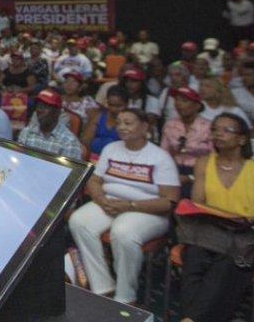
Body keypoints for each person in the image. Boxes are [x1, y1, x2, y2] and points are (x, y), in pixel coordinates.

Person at [70, 108, 180, 304]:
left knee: (123, 232)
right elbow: (94, 181)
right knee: (79, 221)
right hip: (111, 201)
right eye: (119, 122)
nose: (121, 127)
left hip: (147, 210)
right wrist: (101, 198)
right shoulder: (111, 148)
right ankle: (103, 286)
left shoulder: (160, 157)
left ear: (145, 127)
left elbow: (169, 201)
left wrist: (129, 205)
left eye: (128, 123)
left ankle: (125, 296)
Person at [176, 113, 254, 322]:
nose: (218, 134)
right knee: (194, 259)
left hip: (243, 236)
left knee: (225, 266)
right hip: (207, 230)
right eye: (215, 129)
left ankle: (189, 318)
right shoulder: (204, 163)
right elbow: (197, 204)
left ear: (242, 139)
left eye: (226, 130)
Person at [159, 87, 212, 193]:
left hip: (200, 172)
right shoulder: (170, 124)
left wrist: (190, 177)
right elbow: (164, 153)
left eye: (184, 101)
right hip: (174, 170)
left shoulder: (208, 127)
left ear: (197, 106)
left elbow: (214, 158)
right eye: (177, 100)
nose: (178, 104)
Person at [18, 89, 82, 158]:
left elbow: (70, 169)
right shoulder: (26, 133)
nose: (39, 110)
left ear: (57, 112)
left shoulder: (69, 142)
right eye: (39, 106)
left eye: (45, 106)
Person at [83, 86, 129, 157]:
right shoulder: (98, 116)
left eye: (118, 106)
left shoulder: (130, 121)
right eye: (111, 105)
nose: (113, 109)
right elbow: (86, 141)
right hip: (93, 157)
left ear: (126, 104)